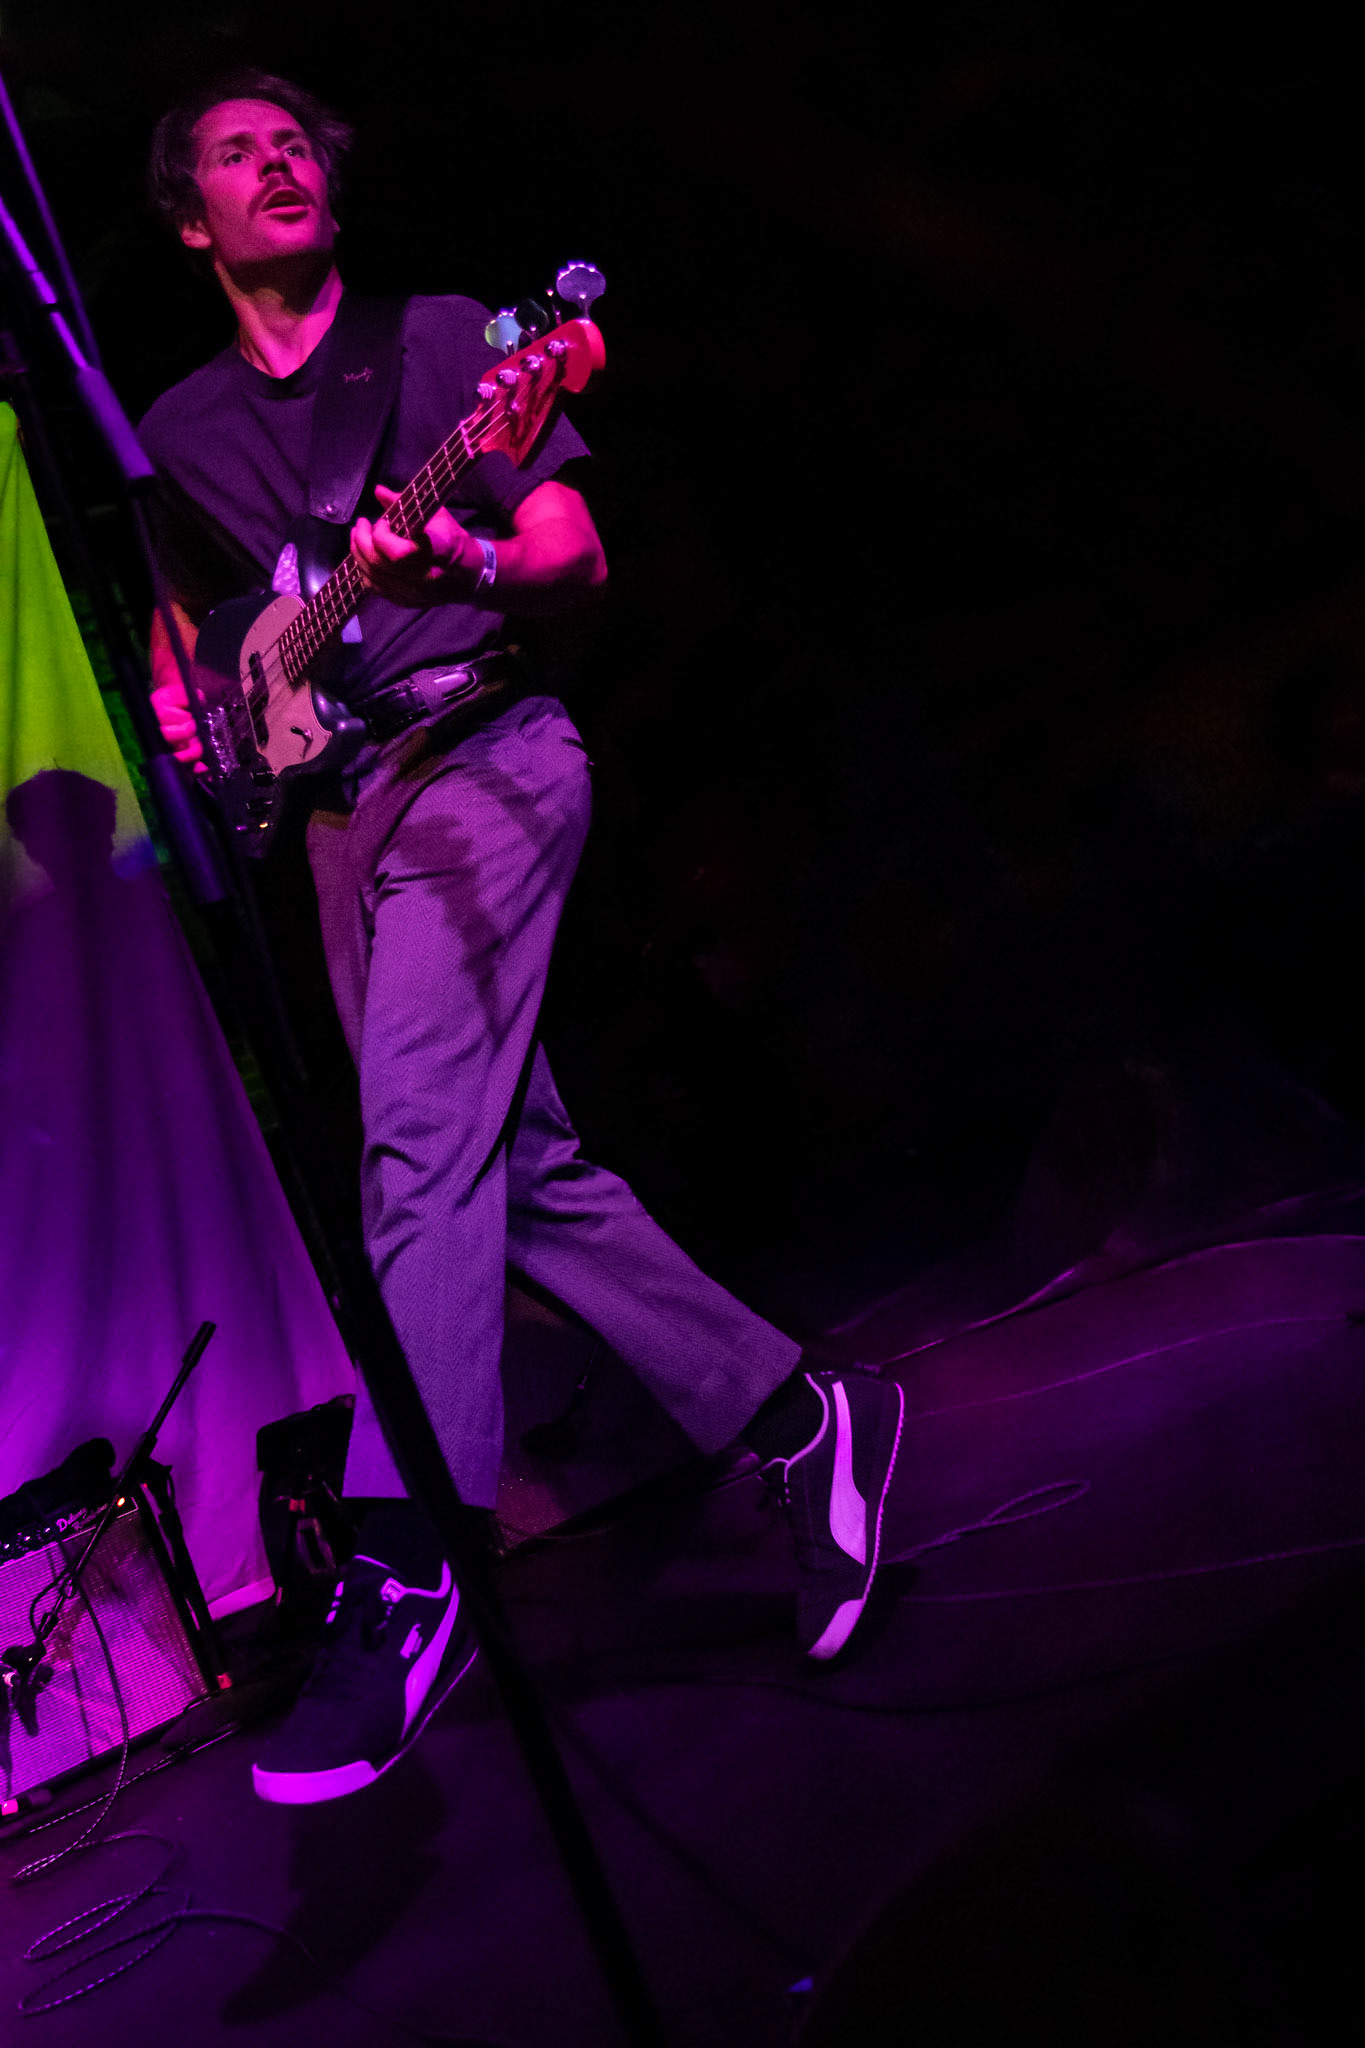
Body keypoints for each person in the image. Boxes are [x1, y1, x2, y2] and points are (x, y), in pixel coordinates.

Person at [140, 69, 905, 1805]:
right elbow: (210, 617)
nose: (277, 162)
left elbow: (568, 549)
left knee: (417, 1154)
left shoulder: (440, 347)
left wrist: (463, 568)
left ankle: (413, 1567)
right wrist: (200, 696)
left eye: (294, 142)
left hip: (485, 754)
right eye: (236, 154)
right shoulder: (182, 428)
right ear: (191, 222)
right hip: (338, 810)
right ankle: (799, 1417)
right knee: (517, 1172)